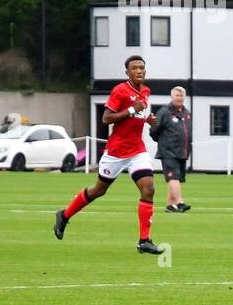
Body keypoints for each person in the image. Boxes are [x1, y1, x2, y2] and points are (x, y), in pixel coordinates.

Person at [53, 55, 163, 255]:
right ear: (127, 72)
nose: (140, 71)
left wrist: (147, 119)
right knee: (98, 190)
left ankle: (144, 241)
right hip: (116, 152)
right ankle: (65, 215)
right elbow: (106, 119)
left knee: (148, 189)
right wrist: (131, 109)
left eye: (142, 68)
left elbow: (138, 114)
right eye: (135, 68)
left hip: (137, 150)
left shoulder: (146, 91)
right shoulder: (119, 91)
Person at [151, 86, 193, 212]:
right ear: (172, 96)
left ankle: (170, 205)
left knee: (177, 178)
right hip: (168, 151)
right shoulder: (165, 111)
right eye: (177, 95)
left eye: (181, 96)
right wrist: (164, 141)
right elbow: (154, 129)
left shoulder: (187, 113)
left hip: (182, 151)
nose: (179, 98)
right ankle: (180, 202)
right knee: (173, 177)